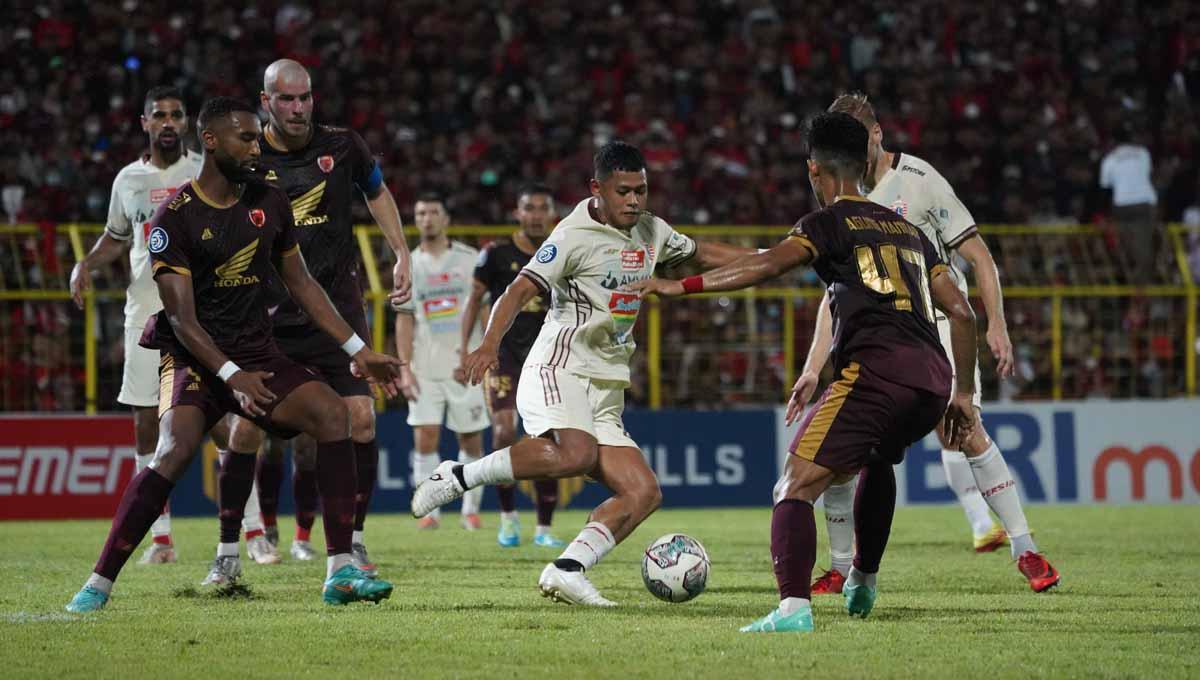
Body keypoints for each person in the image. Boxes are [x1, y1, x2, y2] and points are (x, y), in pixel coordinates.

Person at [632, 111, 978, 632]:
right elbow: (963, 313)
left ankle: (793, 608)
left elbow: (769, 264)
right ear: (865, 163)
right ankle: (863, 579)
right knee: (879, 462)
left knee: (793, 488)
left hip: (875, 377)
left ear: (814, 170)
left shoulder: (828, 222)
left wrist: (678, 287)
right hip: (932, 380)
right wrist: (965, 394)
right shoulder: (908, 231)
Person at [65, 96, 403, 612]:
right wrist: (230, 375)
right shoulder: (172, 218)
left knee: (334, 415)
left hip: (257, 349)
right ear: (211, 141)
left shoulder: (268, 198)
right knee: (172, 451)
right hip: (194, 356)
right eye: (246, 138)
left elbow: (304, 284)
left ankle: (339, 571)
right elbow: (181, 318)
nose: (256, 147)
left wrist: (360, 349)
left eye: (256, 137)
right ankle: (99, 582)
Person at [413, 140, 755, 606]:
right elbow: (517, 290)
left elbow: (704, 254)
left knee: (643, 491)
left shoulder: (651, 230)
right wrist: (489, 344)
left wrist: (773, 255)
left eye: (641, 190)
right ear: (598, 189)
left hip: (607, 384)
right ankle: (459, 475)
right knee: (574, 453)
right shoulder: (572, 234)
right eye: (624, 192)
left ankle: (567, 569)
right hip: (560, 366)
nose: (634, 201)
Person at [799, 93, 1058, 595]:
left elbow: (979, 256)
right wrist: (814, 364)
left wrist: (996, 324)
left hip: (939, 323)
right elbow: (833, 294)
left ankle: (1025, 548)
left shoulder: (920, 181)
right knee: (844, 450)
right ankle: (839, 564)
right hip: (876, 330)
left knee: (964, 428)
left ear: (876, 134)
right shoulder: (843, 198)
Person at [217, 59, 414, 577]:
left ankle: (355, 540)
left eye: (305, 97)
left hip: (337, 308)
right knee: (244, 430)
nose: (299, 107)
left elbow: (377, 192)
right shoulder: (246, 157)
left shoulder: (343, 146)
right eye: (286, 99)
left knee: (362, 419)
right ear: (266, 102)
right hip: (266, 315)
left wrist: (401, 252)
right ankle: (230, 553)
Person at [70, 86, 273, 566]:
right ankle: (161, 540)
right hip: (145, 314)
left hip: (206, 313)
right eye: (157, 114)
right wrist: (85, 265)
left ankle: (255, 531)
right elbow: (117, 238)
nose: (166, 121)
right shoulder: (127, 180)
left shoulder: (206, 168)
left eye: (174, 114)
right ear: (144, 123)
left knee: (227, 422)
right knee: (146, 425)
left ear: (186, 124)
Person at [461, 183, 564, 548]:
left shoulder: (565, 251)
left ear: (552, 214)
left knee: (549, 437)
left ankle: (545, 529)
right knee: (504, 432)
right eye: (529, 208)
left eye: (542, 208)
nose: (536, 215)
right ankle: (508, 519)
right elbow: (474, 301)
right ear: (517, 213)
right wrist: (465, 348)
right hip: (503, 357)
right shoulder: (494, 254)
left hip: (550, 358)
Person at [394, 195, 490, 531]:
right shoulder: (409, 265)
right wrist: (404, 367)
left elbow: (485, 309)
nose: (428, 218)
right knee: (425, 437)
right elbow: (404, 319)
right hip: (425, 366)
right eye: (421, 213)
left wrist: (482, 353)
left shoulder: (469, 259)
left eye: (434, 212)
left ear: (446, 219)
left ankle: (470, 511)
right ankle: (429, 511)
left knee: (471, 439)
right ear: (415, 220)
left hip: (466, 366)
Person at [1100, 120, 1159, 283]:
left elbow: (1105, 189)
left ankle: (1129, 280)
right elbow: (1147, 176)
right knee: (1143, 251)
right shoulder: (1143, 153)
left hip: (1121, 206)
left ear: (1113, 141)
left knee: (1126, 250)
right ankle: (1139, 287)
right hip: (1143, 205)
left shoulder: (1109, 160)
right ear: (1132, 138)